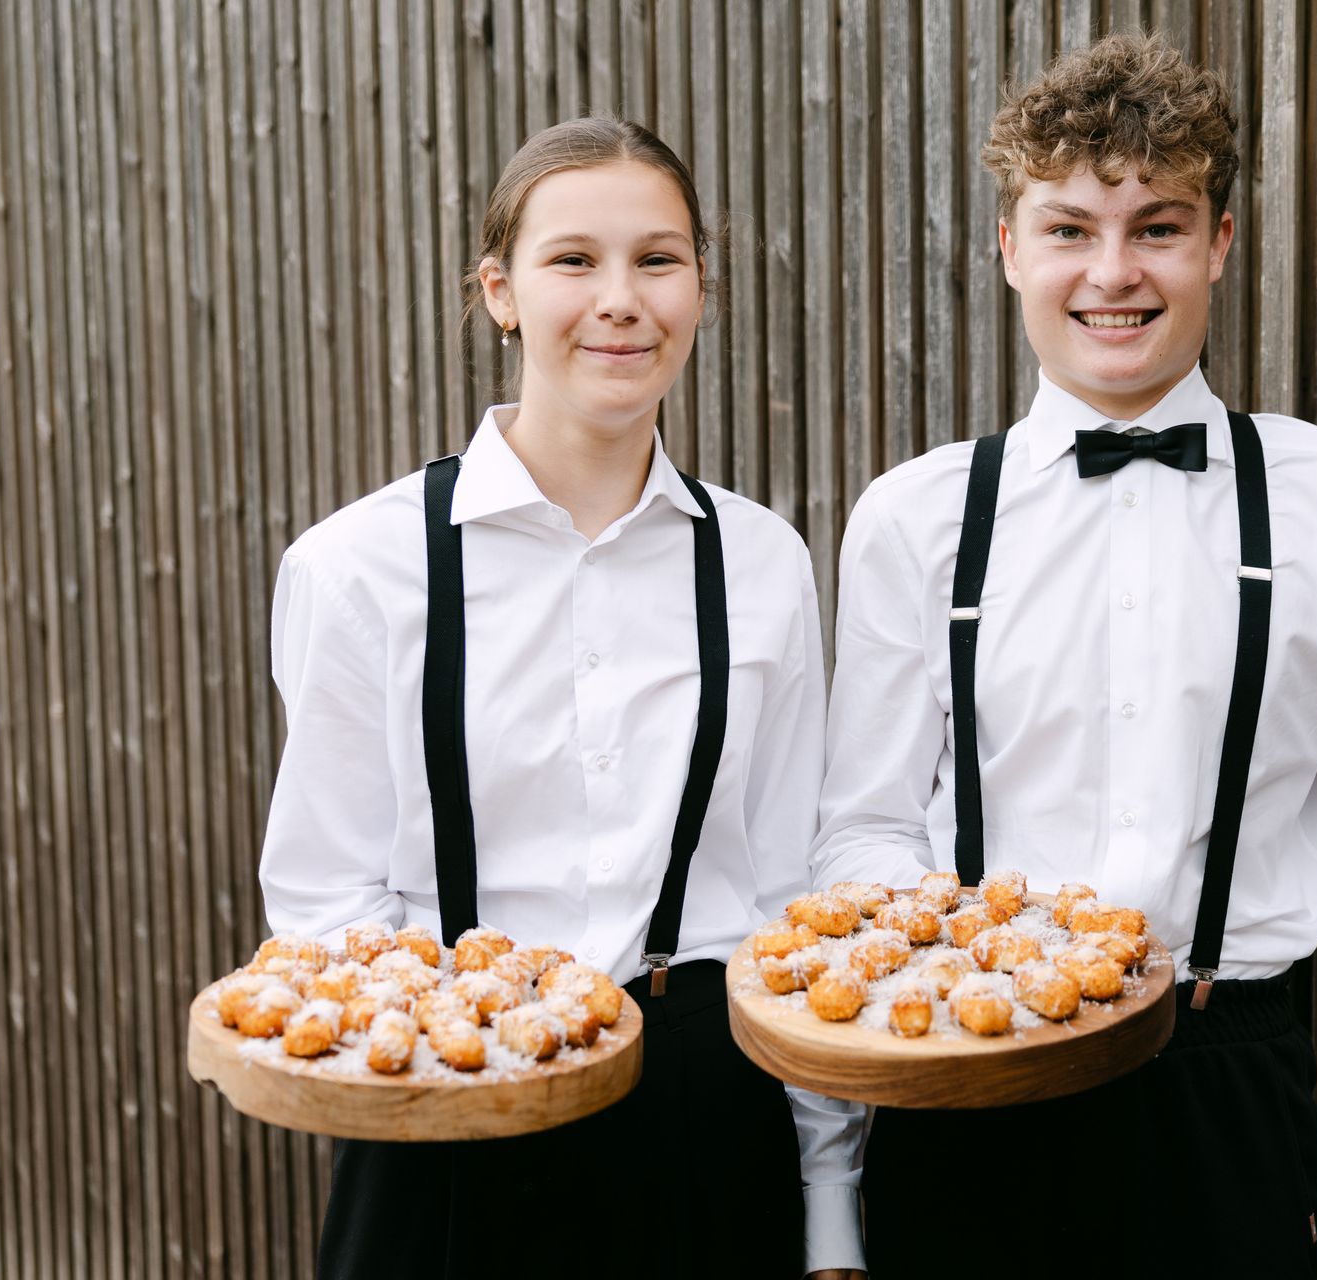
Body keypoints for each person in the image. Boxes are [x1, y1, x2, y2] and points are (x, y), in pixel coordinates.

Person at [812, 34, 1317, 1279]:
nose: (1114, 272)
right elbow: (859, 834)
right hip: (971, 1099)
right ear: (1012, 248)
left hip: (1225, 1094)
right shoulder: (912, 517)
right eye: (1070, 228)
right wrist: (838, 1187)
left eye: (1158, 227)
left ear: (1220, 244)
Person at [259, 115, 865, 1279]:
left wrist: (828, 1197)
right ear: (500, 291)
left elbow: (793, 903)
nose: (621, 298)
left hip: (704, 1120)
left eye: (659, 258)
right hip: (448, 1118)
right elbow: (324, 895)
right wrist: (449, 1068)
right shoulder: (357, 566)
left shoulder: (762, 560)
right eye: (573, 258)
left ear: (701, 286)